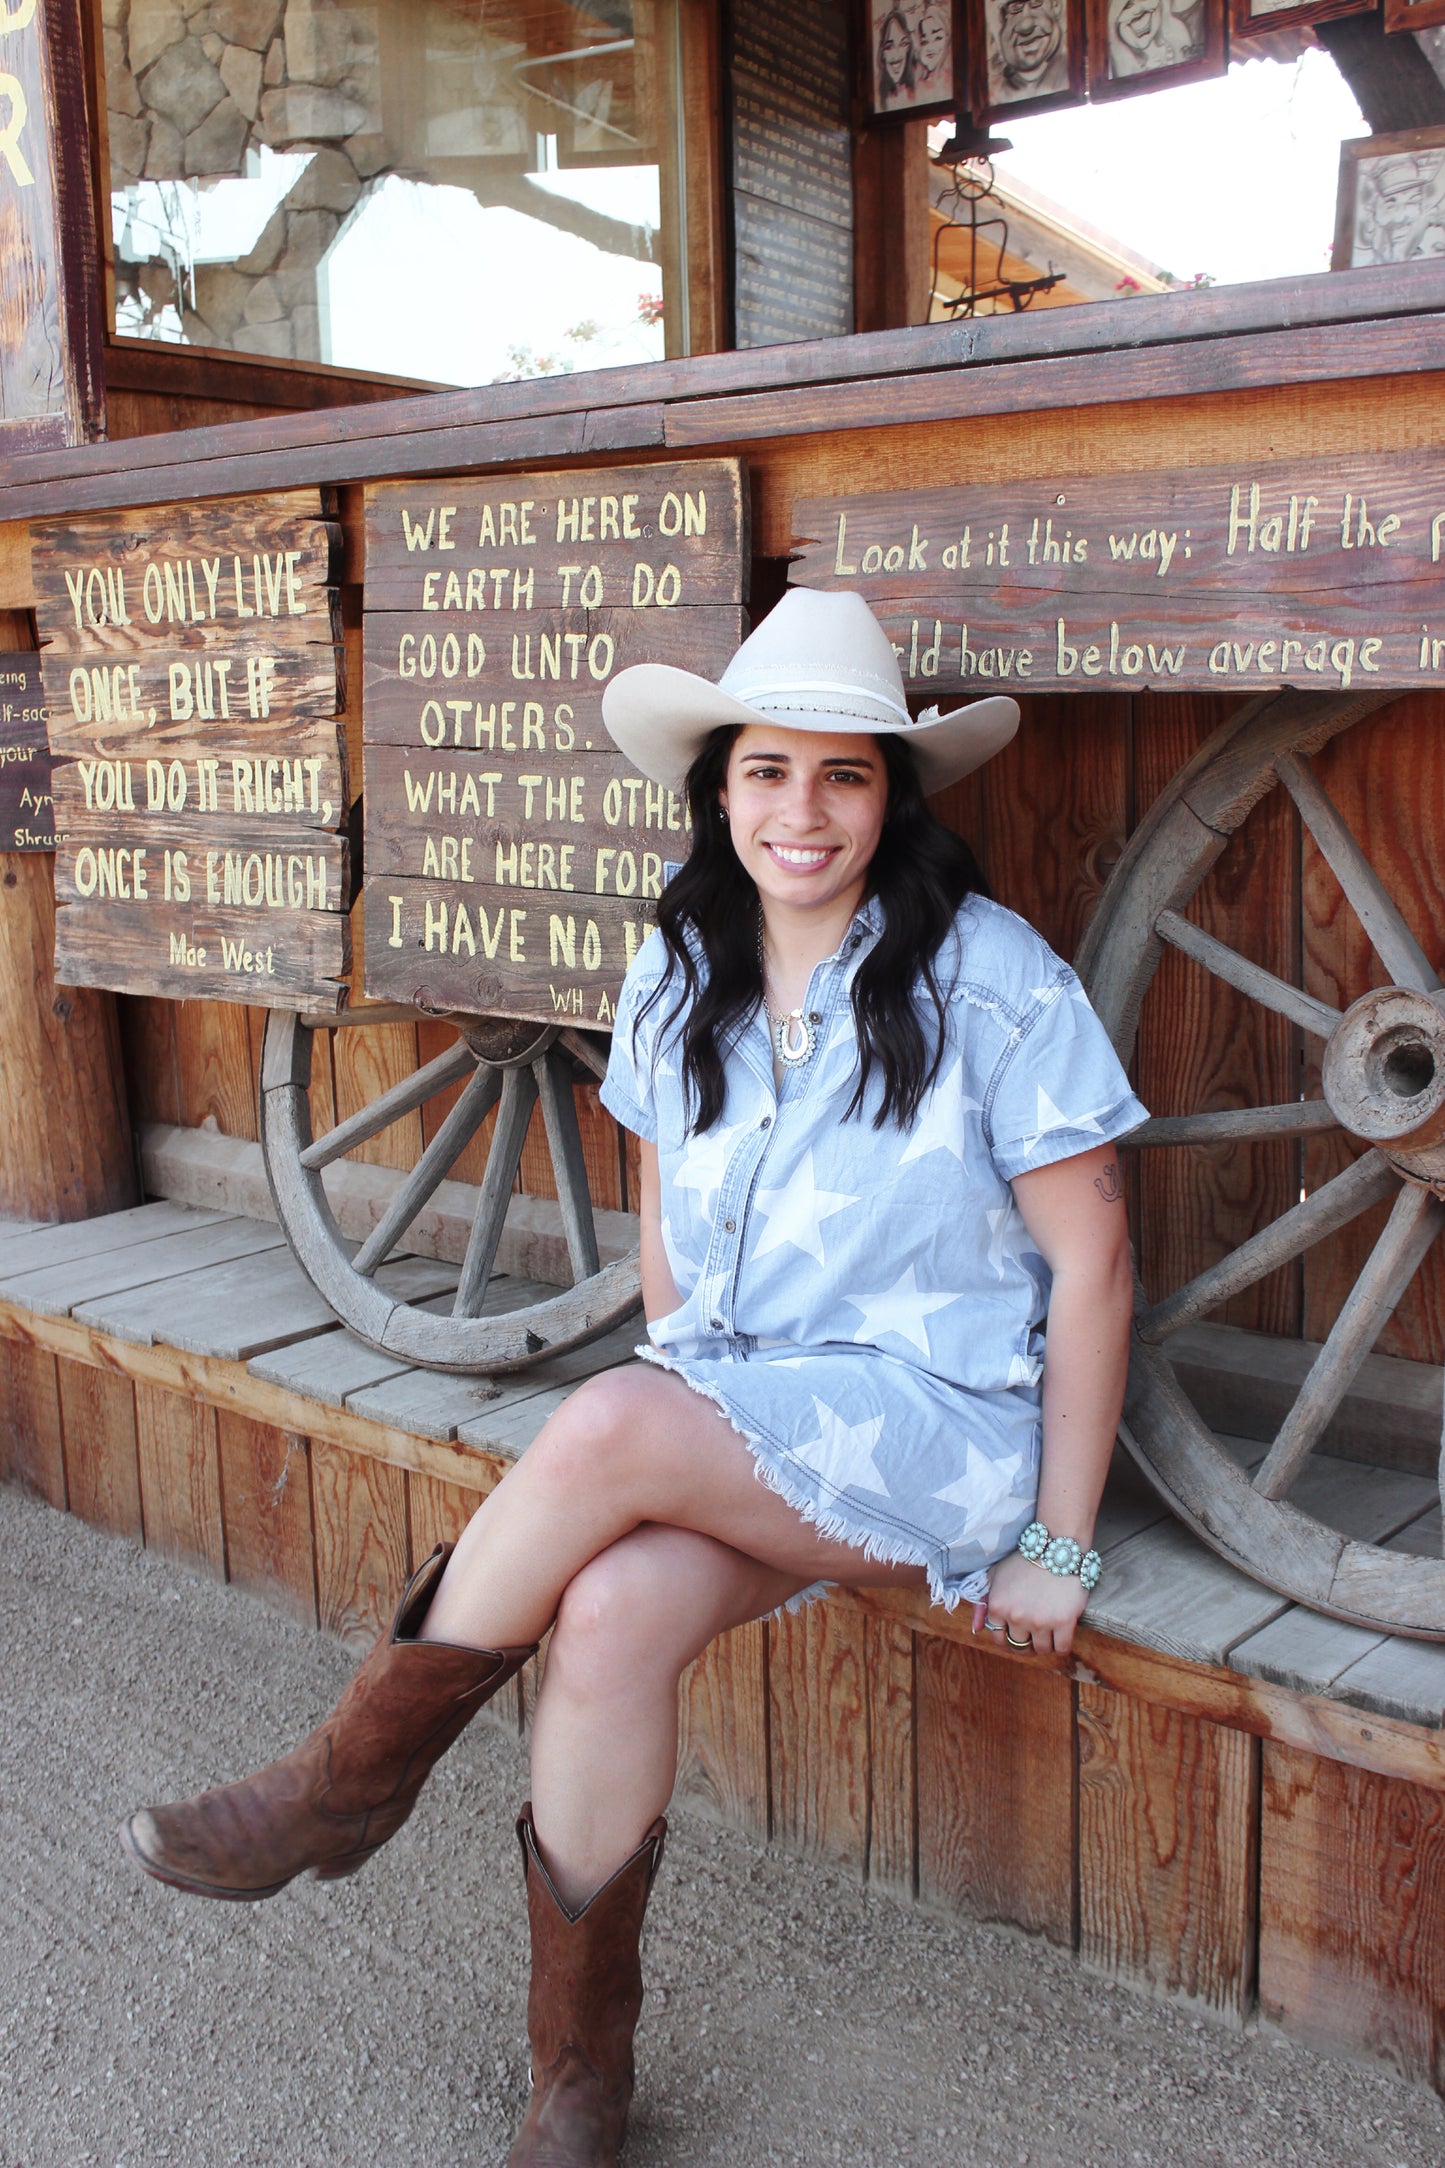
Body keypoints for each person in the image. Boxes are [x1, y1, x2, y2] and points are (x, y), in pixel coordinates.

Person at [118, 590, 1145, 2168]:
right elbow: (665, 1214)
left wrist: (1058, 1545)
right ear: (718, 790)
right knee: (601, 1616)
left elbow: (1093, 1265)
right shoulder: (681, 964)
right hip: (739, 1417)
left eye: (845, 776)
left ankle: (346, 1781)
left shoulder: (992, 980)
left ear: (893, 795)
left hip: (943, 1434)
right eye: (766, 773)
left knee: (602, 1420)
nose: (802, 813)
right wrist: (691, 1401)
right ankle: (579, 2081)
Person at [991, 0, 1070, 101]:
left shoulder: (1070, 73)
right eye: (1014, 8)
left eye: (1036, 2)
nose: (1026, 26)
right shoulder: (996, 91)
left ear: (1055, 6)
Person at [876, 6, 917, 107]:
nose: (896, 54)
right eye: (889, 47)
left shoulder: (920, 91)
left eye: (903, 44)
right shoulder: (876, 99)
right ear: (882, 53)